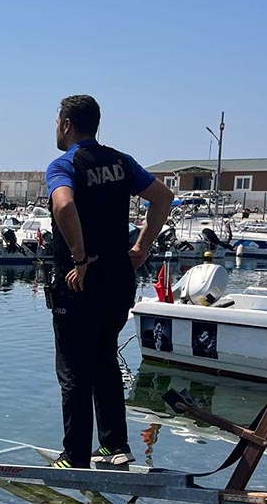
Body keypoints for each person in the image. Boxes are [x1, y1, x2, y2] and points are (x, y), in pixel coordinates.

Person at [46, 94, 173, 469]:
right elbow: (163, 197)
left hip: (79, 281)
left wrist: (80, 257)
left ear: (67, 124)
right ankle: (116, 446)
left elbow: (64, 205)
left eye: (57, 121)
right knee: (105, 358)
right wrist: (142, 247)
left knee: (73, 368)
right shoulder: (121, 161)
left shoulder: (64, 164)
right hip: (119, 278)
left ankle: (74, 456)